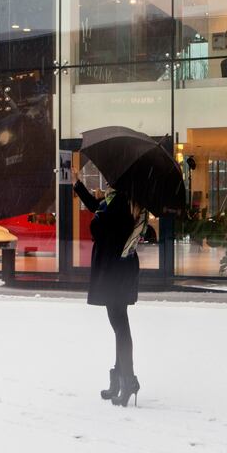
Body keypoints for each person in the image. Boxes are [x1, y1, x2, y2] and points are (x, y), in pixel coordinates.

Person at [73, 171, 148, 407]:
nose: (106, 180)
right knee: (119, 326)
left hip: (115, 271)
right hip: (118, 269)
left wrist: (97, 216)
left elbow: (100, 228)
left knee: (120, 326)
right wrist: (78, 185)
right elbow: (98, 207)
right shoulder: (118, 201)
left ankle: (128, 380)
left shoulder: (118, 205)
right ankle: (120, 379)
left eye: (109, 178)